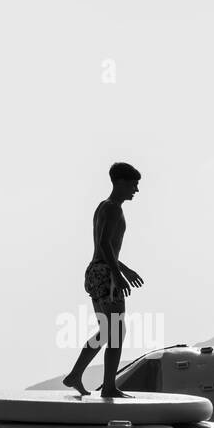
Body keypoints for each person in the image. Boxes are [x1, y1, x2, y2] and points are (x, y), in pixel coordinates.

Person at [63, 162, 145, 398]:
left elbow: (103, 246)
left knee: (108, 331)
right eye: (133, 184)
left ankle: (76, 374)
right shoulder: (113, 209)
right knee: (117, 331)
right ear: (119, 182)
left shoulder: (103, 207)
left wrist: (124, 268)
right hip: (105, 274)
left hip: (96, 271)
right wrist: (117, 275)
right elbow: (104, 244)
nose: (136, 190)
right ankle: (109, 386)